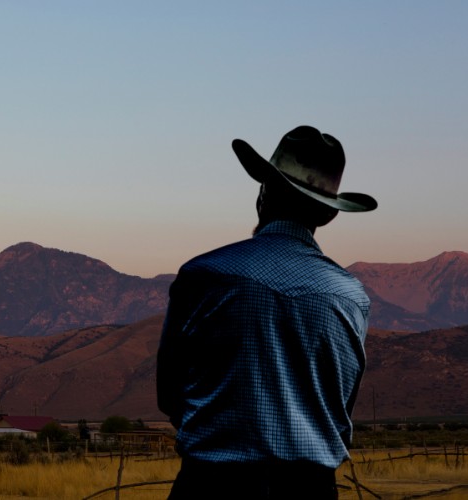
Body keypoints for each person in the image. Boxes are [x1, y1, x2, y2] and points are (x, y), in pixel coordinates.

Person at [157, 125, 377, 499]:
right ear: (327, 215)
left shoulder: (205, 275)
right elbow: (340, 409)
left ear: (264, 194)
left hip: (212, 485)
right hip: (312, 489)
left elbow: (169, 393)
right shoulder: (352, 298)